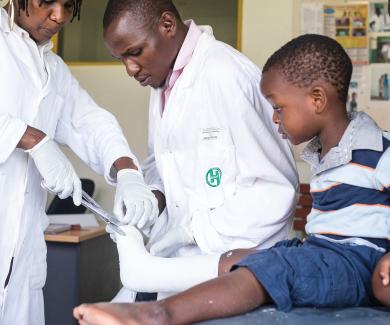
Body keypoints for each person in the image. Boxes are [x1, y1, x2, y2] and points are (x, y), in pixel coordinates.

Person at [74, 34, 390, 325]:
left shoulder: (376, 149)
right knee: (244, 258)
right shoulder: (324, 152)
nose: (275, 118)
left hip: (356, 262)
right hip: (322, 251)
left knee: (271, 269)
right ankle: (147, 277)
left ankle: (157, 314)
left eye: (279, 108)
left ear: (317, 100)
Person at [101, 0, 298, 301]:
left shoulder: (227, 74)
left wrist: (193, 231)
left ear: (167, 26)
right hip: (177, 269)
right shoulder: (164, 82)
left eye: (135, 52)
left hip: (228, 271)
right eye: (121, 59)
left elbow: (275, 191)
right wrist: (151, 198)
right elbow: (163, 160)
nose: (130, 68)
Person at [0, 1, 161, 324]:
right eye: (47, 1)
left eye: (69, 5)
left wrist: (128, 171)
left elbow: (90, 123)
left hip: (22, 260)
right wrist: (31, 138)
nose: (59, 16)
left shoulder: (52, 68)